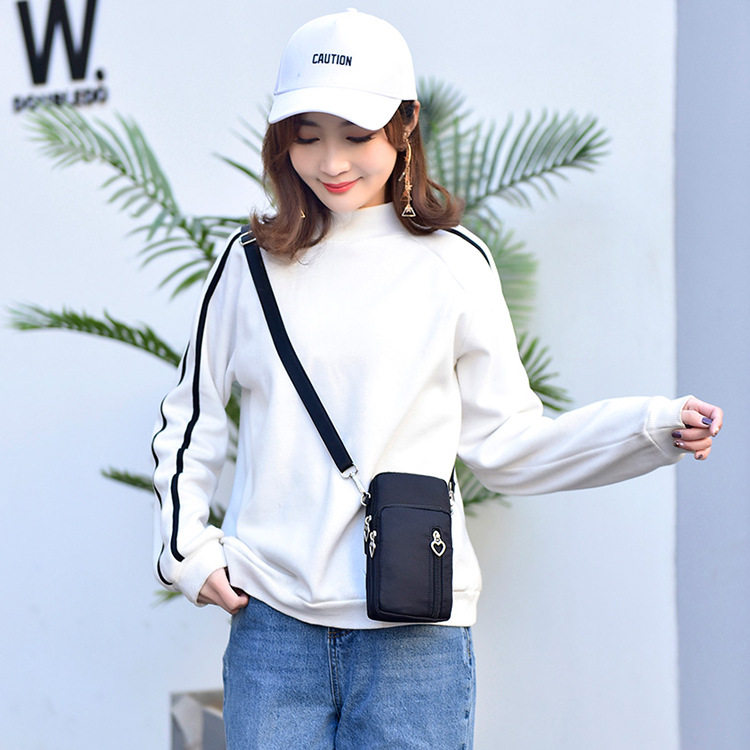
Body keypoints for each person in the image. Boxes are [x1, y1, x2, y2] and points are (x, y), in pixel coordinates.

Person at [151, 10, 723, 749]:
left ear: (405, 123)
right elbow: (192, 415)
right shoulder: (250, 265)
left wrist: (651, 428)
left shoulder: (454, 263)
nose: (331, 162)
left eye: (356, 134)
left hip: (416, 637)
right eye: (307, 135)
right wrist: (186, 551)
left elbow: (507, 443)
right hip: (273, 630)